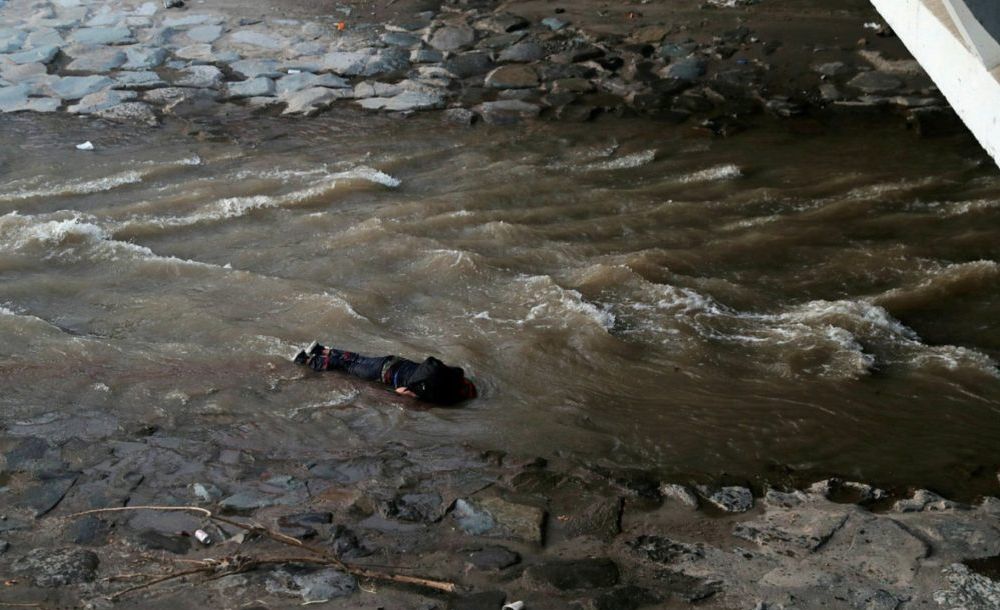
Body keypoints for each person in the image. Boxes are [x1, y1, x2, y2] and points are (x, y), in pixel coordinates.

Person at [292, 341, 477, 405]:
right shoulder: (434, 392)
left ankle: (322, 349)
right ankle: (305, 360)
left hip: (393, 361)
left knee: (356, 358)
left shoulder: (448, 375)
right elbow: (401, 392)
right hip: (383, 373)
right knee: (346, 367)